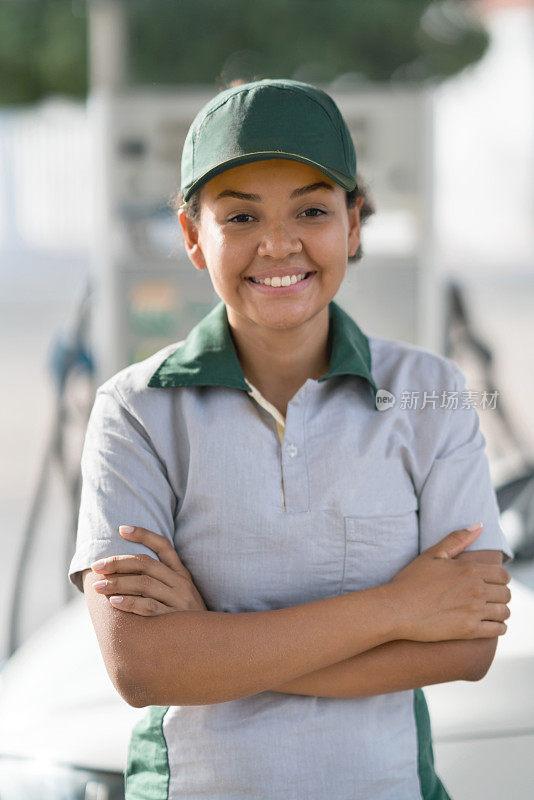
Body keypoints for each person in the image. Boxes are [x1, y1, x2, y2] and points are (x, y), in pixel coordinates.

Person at [68, 78, 514, 800]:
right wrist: (397, 610)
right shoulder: (137, 411)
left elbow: (468, 642)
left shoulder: (430, 393)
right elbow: (143, 666)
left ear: (355, 224)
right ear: (191, 236)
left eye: (311, 210)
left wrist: (212, 644)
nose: (279, 244)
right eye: (240, 217)